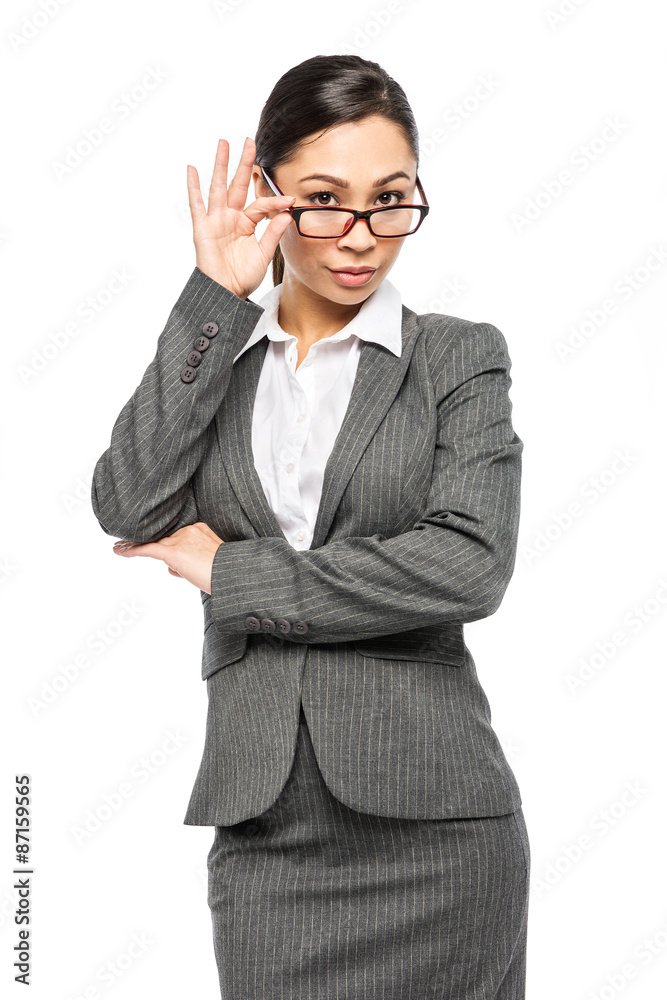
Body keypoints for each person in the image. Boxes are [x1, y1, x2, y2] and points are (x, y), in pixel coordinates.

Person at [91, 53, 530, 1000]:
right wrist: (214, 295)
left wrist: (235, 575)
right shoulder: (219, 364)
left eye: (391, 199)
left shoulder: (456, 358)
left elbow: (466, 565)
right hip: (266, 837)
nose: (360, 236)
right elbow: (127, 502)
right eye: (324, 198)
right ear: (268, 196)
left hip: (439, 836)